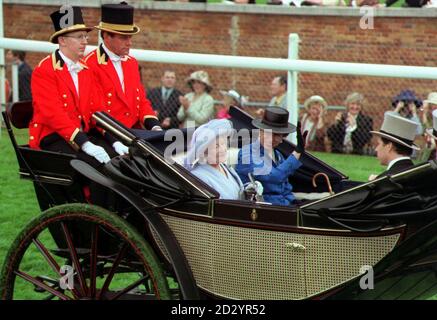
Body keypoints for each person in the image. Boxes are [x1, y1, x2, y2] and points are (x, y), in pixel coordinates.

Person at [29, 6, 125, 167]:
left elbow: (97, 110)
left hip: (82, 134)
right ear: (62, 40)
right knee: (98, 166)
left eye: (86, 36)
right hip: (54, 137)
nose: (85, 42)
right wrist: (85, 144)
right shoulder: (44, 70)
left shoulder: (85, 69)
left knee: (120, 160)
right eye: (79, 37)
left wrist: (113, 139)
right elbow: (54, 115)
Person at [85, 1, 161, 131]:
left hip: (134, 130)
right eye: (124, 38)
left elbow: (141, 100)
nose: (129, 43)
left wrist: (153, 125)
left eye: (130, 38)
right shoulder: (90, 64)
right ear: (107, 36)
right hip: (107, 133)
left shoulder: (132, 63)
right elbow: (95, 110)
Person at [235, 107, 306, 206]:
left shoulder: (277, 155)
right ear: (261, 131)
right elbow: (274, 177)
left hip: (283, 206)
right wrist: (297, 152)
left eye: (282, 135)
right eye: (275, 134)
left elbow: (285, 186)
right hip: (261, 208)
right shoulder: (247, 154)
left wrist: (293, 201)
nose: (279, 140)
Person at [183, 119, 243, 200]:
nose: (222, 149)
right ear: (204, 151)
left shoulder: (224, 166)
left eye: (223, 143)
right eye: (216, 146)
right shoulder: (199, 176)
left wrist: (249, 188)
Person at [368, 112, 419, 180]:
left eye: (379, 144)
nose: (376, 149)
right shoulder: (417, 173)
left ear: (389, 146)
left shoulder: (387, 180)